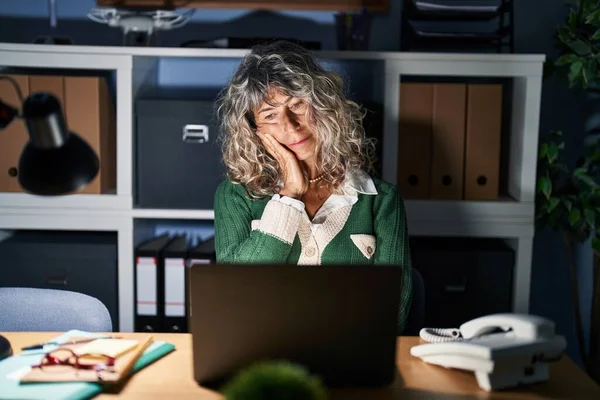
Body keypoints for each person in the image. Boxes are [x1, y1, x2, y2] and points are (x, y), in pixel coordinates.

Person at [213, 40, 413, 333]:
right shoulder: (235, 196)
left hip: (352, 362)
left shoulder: (381, 199)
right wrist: (290, 193)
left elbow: (394, 307)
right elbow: (233, 293)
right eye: (270, 115)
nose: (291, 126)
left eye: (297, 105)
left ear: (323, 105)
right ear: (255, 132)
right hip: (265, 360)